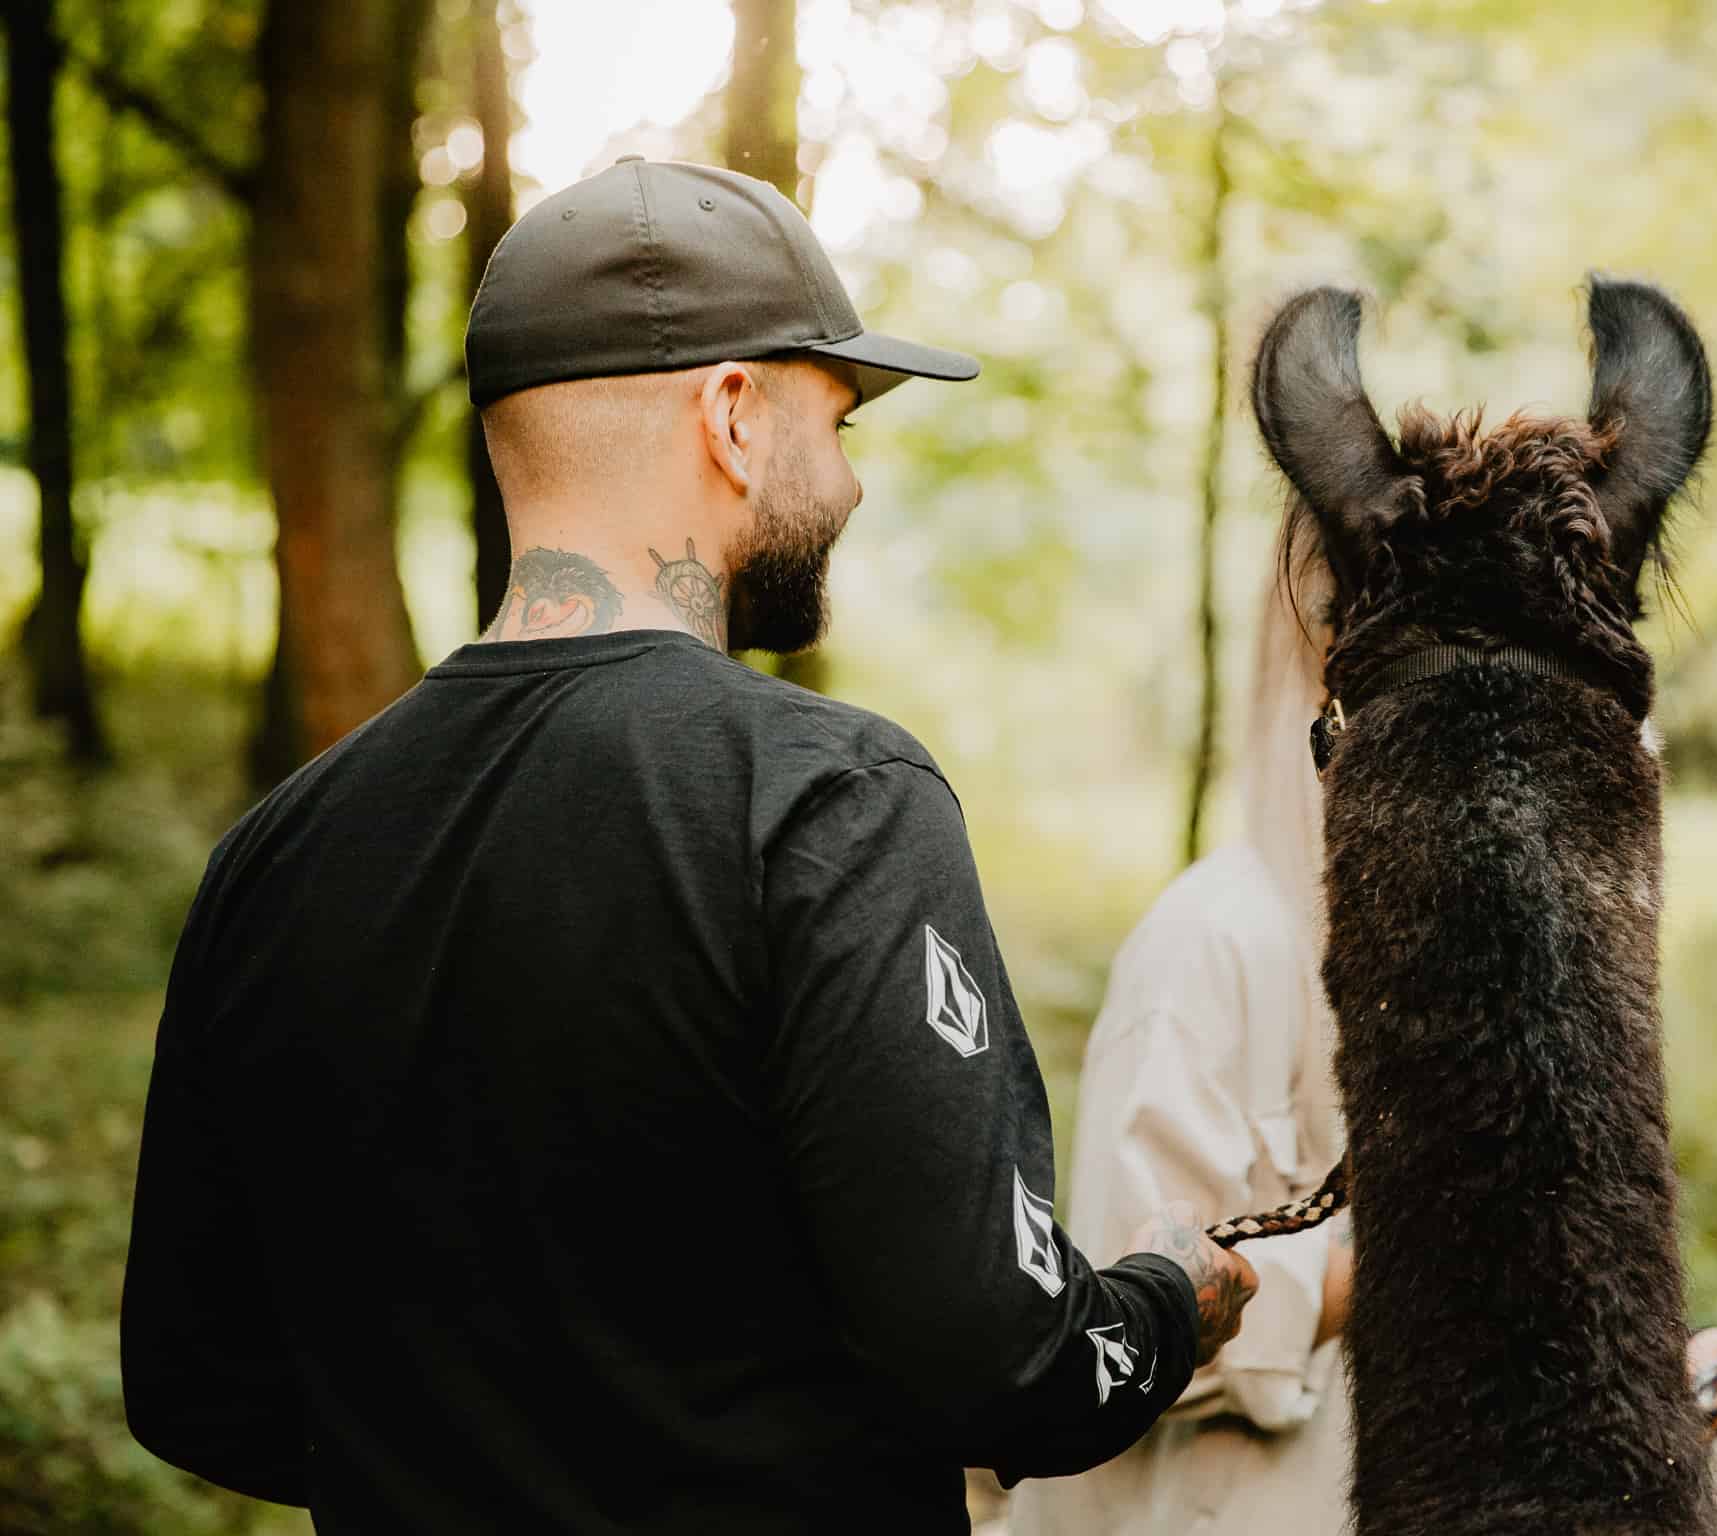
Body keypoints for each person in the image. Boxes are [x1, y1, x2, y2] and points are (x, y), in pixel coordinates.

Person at [119, 157, 1257, 1536]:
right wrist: (1162, 1305)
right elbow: (1003, 1361)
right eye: (834, 424)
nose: (846, 487)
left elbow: (194, 1387)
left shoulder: (272, 855)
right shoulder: (825, 796)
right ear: (731, 413)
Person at [1010, 553, 1717, 1534]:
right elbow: (1116, 1322)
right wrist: (1477, 1236)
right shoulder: (1211, 941)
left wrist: (1665, 1367)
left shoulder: (1516, 961)